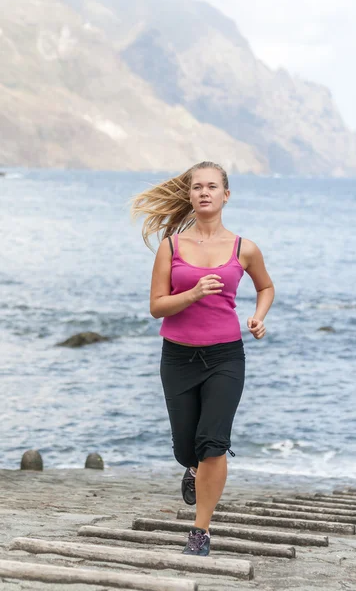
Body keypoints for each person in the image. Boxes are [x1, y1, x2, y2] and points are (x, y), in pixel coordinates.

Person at [131, 161, 274, 556]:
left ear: (226, 195)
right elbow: (157, 306)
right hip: (177, 358)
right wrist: (192, 294)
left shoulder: (244, 248)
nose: (204, 192)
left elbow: (266, 287)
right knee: (186, 448)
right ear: (190, 195)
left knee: (213, 442)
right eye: (197, 187)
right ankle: (191, 468)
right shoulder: (171, 246)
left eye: (213, 186)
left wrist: (258, 317)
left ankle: (200, 531)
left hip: (226, 356)